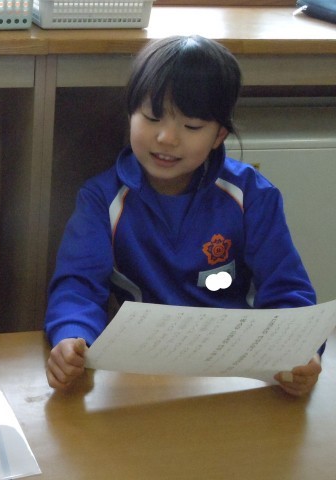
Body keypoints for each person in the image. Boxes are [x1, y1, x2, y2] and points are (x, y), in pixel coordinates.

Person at [44, 35, 323, 397]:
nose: (166, 137)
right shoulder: (101, 199)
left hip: (232, 377)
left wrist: (300, 355)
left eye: (191, 126)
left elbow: (287, 290)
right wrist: (71, 337)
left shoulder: (253, 196)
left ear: (218, 135)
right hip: (140, 374)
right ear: (130, 114)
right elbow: (77, 287)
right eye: (152, 117)